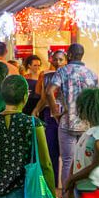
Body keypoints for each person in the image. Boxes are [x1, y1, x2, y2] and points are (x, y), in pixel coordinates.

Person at [53, 43, 99, 191]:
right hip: (87, 125)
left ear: (69, 55)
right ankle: (83, 196)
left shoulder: (62, 71)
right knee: (85, 161)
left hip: (67, 122)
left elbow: (49, 90)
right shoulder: (92, 74)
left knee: (67, 161)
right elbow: (97, 98)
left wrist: (55, 110)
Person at [37, 50, 66, 190]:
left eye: (61, 60)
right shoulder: (47, 76)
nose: (58, 62)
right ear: (51, 60)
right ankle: (52, 184)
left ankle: (65, 186)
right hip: (50, 114)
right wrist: (36, 110)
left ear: (66, 60)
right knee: (51, 150)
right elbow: (44, 97)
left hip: (65, 114)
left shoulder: (68, 75)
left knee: (66, 152)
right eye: (56, 59)